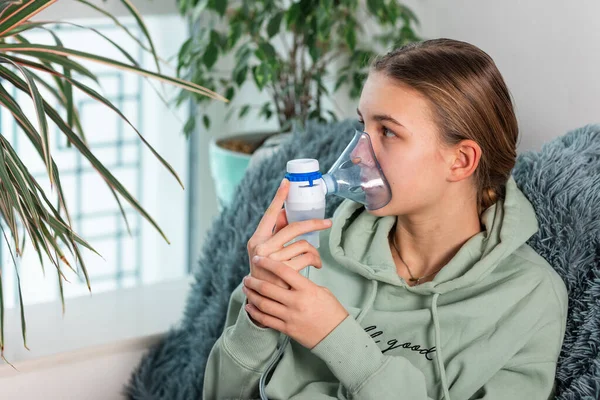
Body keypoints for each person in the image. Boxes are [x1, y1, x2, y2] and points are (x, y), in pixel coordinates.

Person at [202, 38, 568, 400]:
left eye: (388, 131)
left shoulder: (530, 297)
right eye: (362, 127)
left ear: (461, 161)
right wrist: (258, 311)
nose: (358, 154)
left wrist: (336, 336)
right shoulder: (308, 257)